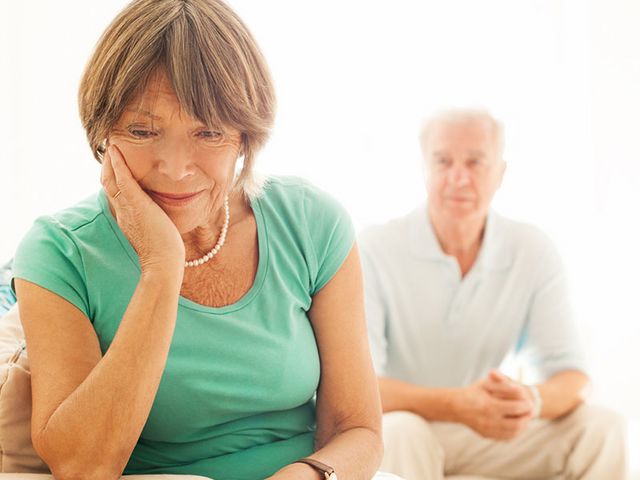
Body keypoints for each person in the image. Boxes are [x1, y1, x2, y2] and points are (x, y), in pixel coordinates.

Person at [11, 1, 384, 479]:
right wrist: (160, 266)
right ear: (103, 133)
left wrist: (308, 475)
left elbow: (358, 428)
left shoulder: (311, 221)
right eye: (142, 130)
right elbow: (82, 465)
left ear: (244, 136)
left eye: (207, 132)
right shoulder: (60, 251)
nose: (175, 167)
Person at [359, 109, 627, 480]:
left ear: (500, 173)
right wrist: (458, 404)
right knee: (400, 431)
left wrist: (530, 401)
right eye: (443, 161)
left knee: (604, 428)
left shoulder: (531, 249)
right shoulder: (375, 248)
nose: (458, 178)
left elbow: (573, 377)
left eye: (475, 162)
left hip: (487, 434)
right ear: (424, 169)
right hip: (408, 425)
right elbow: (359, 388)